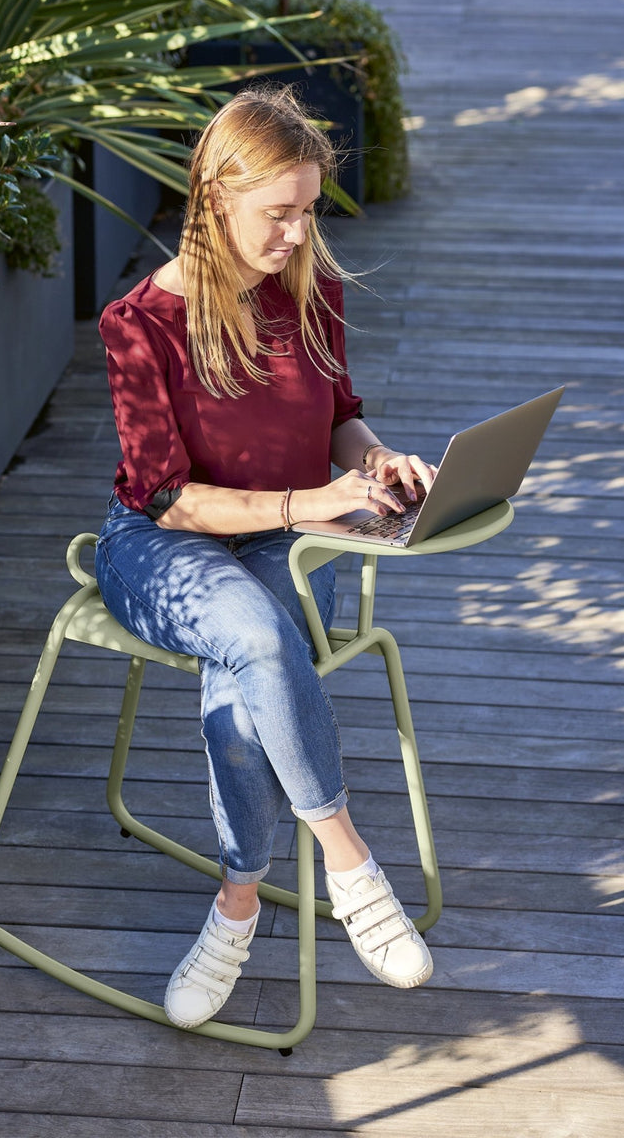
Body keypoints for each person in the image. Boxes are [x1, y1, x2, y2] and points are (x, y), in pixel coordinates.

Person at [95, 85, 438, 1031]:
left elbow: (337, 416)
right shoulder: (139, 324)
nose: (297, 233)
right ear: (215, 197)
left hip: (280, 540)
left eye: (309, 210)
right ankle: (351, 861)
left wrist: (376, 460)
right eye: (278, 212)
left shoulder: (310, 290)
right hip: (159, 549)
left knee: (247, 669)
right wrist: (313, 503)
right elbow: (170, 498)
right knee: (254, 633)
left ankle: (236, 903)